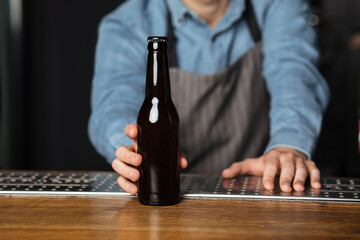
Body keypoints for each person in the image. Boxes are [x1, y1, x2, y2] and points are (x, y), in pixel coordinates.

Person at [89, 0, 330, 195]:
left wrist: (287, 148)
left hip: (258, 192)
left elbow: (294, 72)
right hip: (174, 196)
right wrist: (130, 149)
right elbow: (114, 103)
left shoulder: (276, 5)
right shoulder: (127, 23)